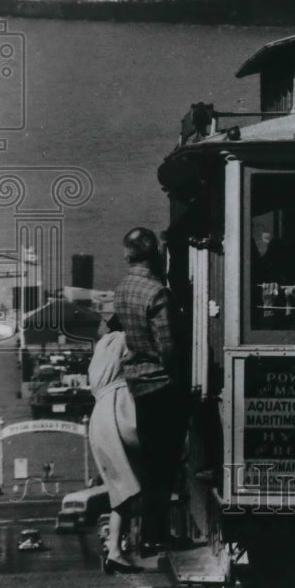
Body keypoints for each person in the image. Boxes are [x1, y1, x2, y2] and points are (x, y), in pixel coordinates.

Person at [113, 227, 188, 553]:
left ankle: (146, 532)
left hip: (138, 386)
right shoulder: (157, 292)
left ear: (127, 254)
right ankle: (155, 534)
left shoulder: (123, 288)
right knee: (166, 463)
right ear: (155, 254)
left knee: (150, 462)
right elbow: (168, 346)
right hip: (163, 384)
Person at [87, 315, 143, 574]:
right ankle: (153, 533)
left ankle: (115, 551)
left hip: (99, 416)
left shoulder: (101, 346)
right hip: (119, 410)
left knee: (120, 490)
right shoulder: (125, 340)